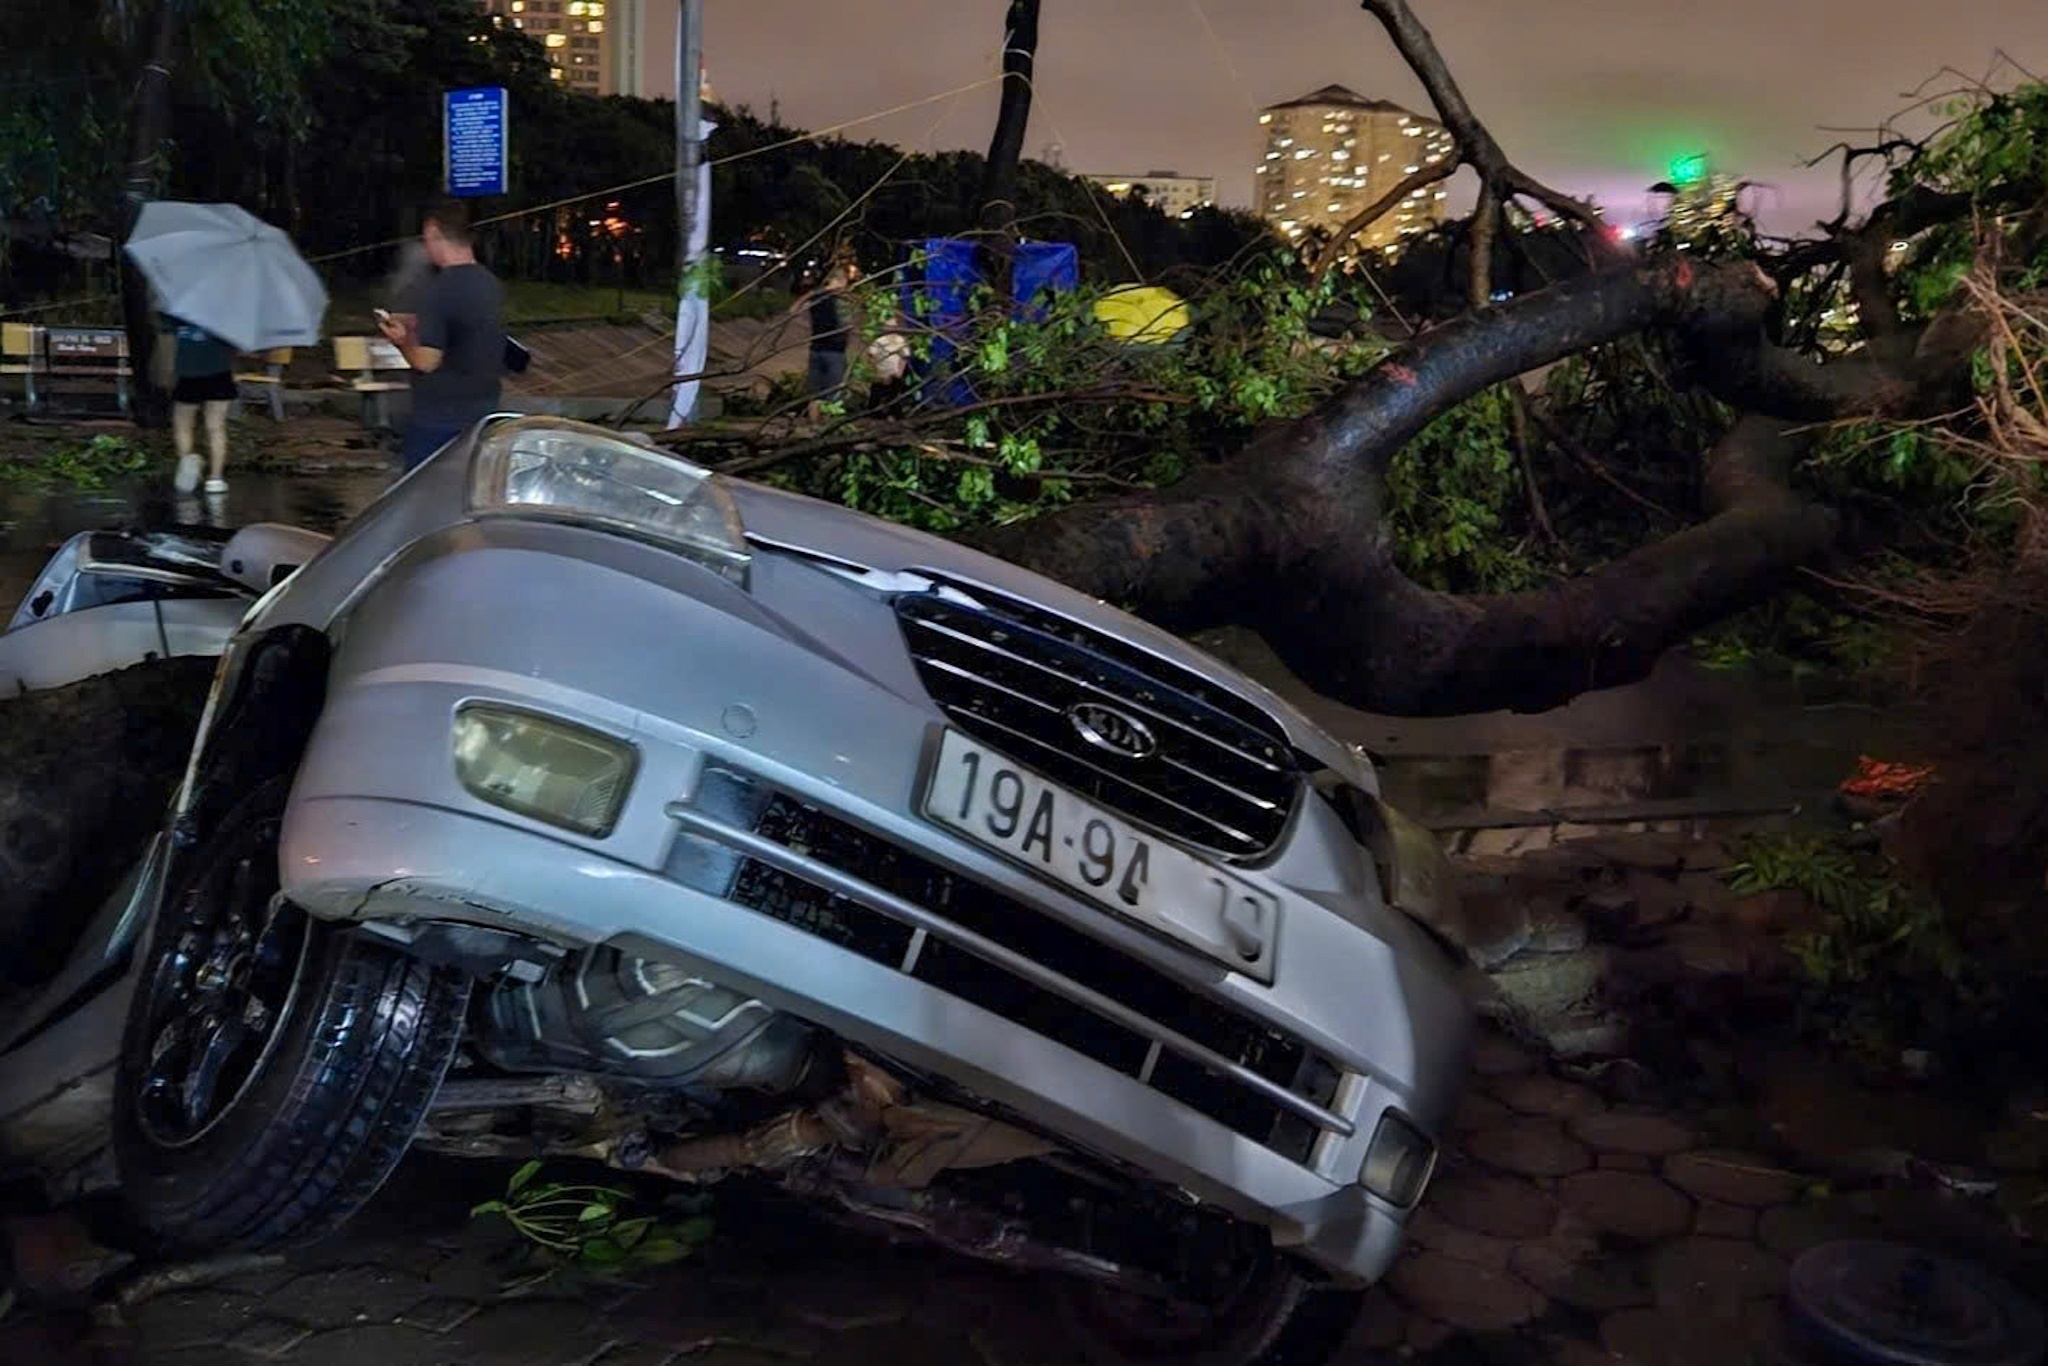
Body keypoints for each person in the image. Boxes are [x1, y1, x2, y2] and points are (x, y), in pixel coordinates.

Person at [378, 199, 505, 471]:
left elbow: (427, 361)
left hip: (438, 420)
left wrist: (402, 342)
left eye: (426, 240)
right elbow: (463, 327)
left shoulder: (438, 290)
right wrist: (415, 321)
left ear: (435, 232)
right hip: (484, 410)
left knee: (423, 491)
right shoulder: (489, 282)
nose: (426, 248)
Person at [164, 316, 236, 495]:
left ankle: (187, 463)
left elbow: (167, 345)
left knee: (182, 425)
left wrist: (168, 374)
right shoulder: (228, 316)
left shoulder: (179, 314)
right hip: (220, 374)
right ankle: (216, 478)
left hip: (187, 374)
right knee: (216, 427)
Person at [799, 257, 856, 421]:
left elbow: (795, 310)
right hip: (833, 352)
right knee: (833, 393)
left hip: (818, 349)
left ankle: (815, 424)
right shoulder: (839, 301)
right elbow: (848, 325)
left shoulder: (818, 298)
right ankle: (828, 425)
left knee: (817, 394)